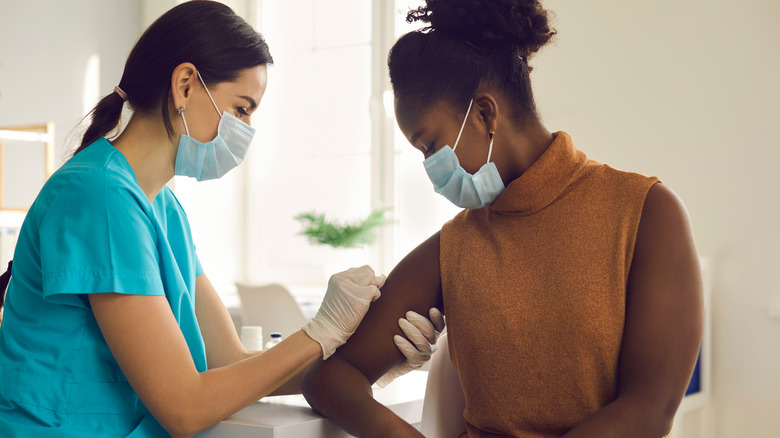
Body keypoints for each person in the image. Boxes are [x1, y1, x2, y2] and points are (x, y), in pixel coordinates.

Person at [0, 2, 443, 437]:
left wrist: (368, 361)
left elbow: (226, 360)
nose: (247, 130)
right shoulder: (98, 196)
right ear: (186, 85)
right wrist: (319, 332)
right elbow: (184, 407)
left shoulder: (162, 208)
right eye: (242, 108)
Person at [301, 0, 704, 437]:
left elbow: (651, 408)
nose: (431, 168)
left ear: (485, 113)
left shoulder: (646, 213)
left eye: (431, 145)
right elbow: (331, 378)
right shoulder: (456, 245)